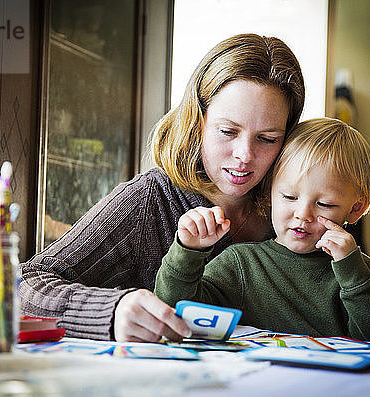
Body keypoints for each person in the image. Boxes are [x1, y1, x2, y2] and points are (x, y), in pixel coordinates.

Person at [20, 33, 305, 342]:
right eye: (227, 131)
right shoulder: (148, 201)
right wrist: (111, 311)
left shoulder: (303, 207)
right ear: (197, 122)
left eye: (267, 139)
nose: (244, 156)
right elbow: (22, 284)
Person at [154, 118, 370, 345]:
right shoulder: (241, 264)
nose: (303, 214)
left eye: (325, 204)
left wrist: (354, 275)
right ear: (269, 193)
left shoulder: (366, 275)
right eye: (289, 196)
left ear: (355, 209)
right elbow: (176, 316)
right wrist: (187, 251)